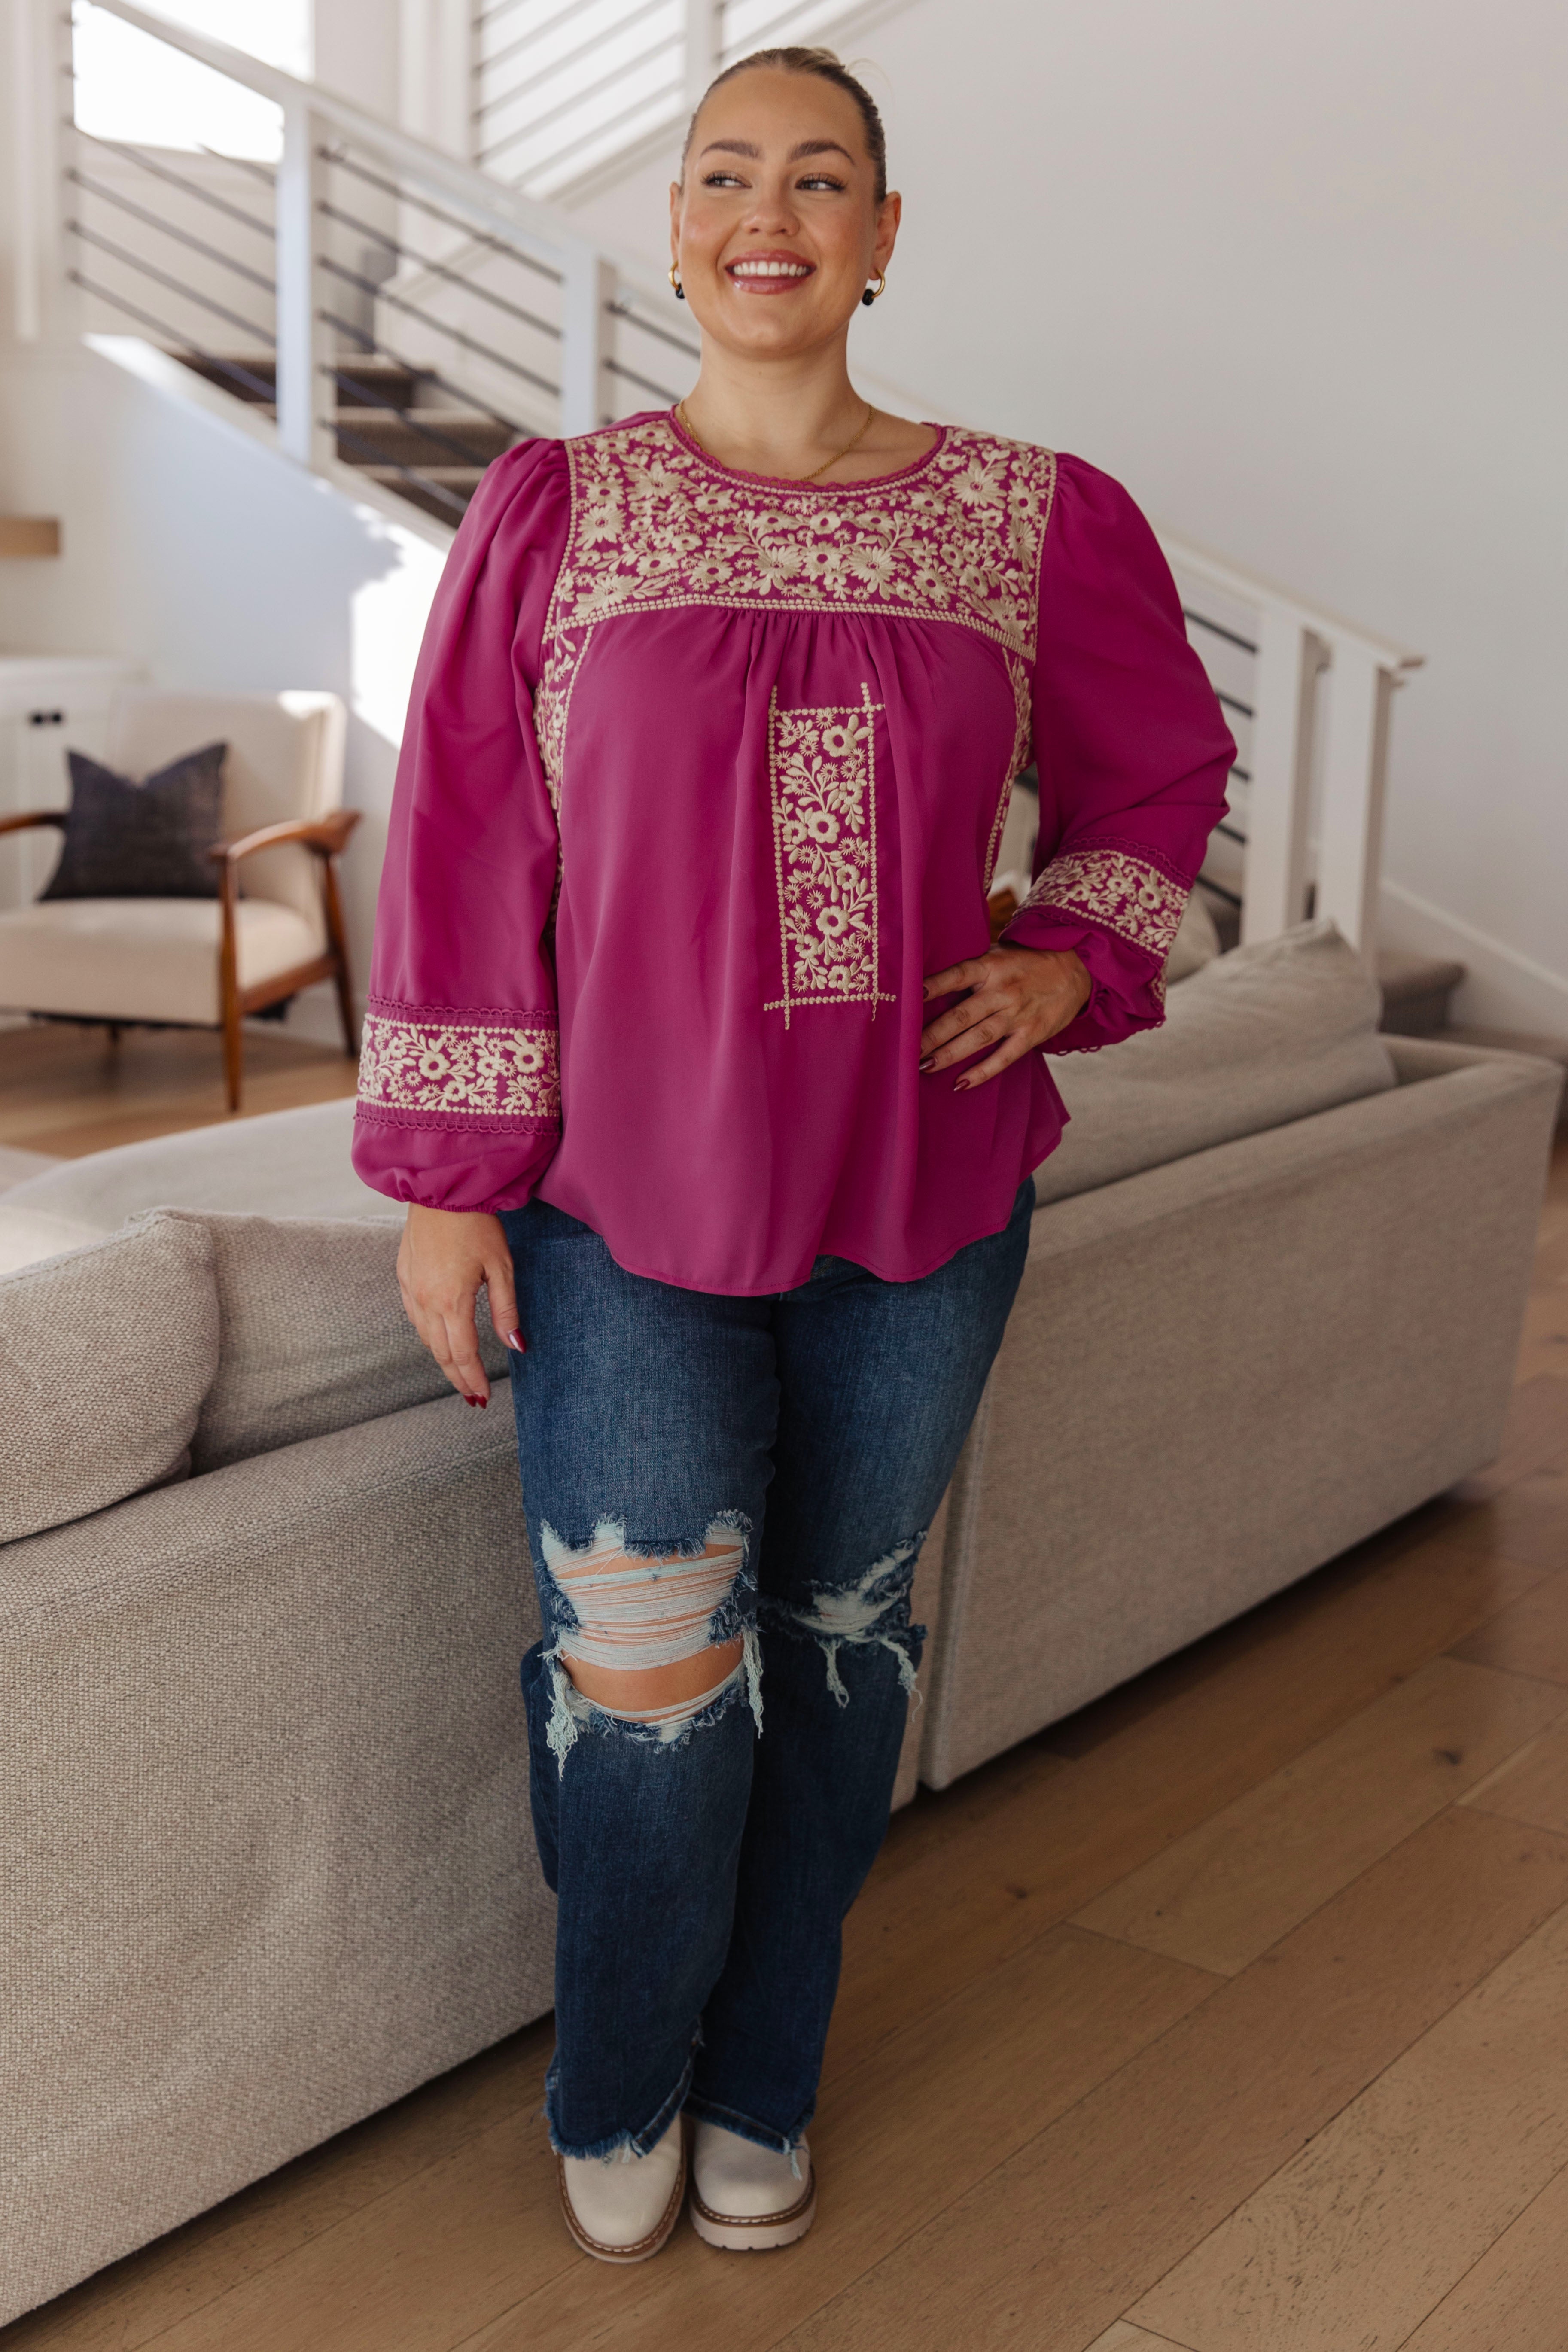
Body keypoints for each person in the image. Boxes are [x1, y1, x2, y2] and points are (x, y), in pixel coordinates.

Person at [352, 44, 1234, 2265]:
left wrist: (1069, 967)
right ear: (672, 227)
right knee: (646, 1671)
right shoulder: (554, 510)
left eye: (821, 175)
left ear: (882, 231)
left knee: (840, 1638)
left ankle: (765, 2071)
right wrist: (448, 1175)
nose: (774, 210)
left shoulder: (1042, 515)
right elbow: (464, 842)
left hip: (923, 1205)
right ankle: (621, 2070)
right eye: (727, 171)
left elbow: (1154, 788)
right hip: (619, 1209)